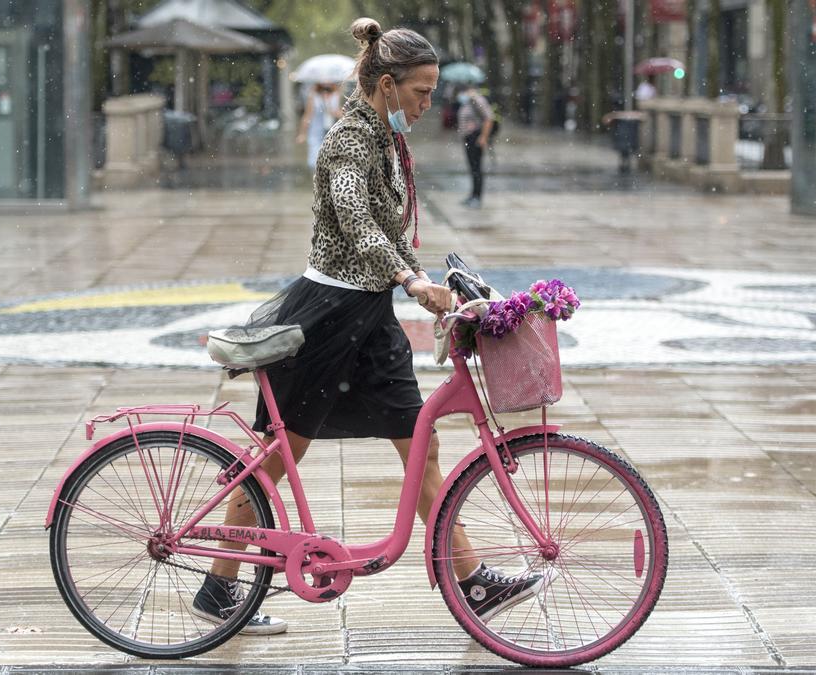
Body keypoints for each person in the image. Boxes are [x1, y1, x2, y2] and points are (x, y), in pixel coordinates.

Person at [191, 17, 548, 636]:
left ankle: (472, 580)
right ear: (386, 85)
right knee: (279, 455)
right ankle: (219, 587)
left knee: (421, 445)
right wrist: (412, 281)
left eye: (433, 92)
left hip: (370, 315)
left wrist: (429, 277)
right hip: (327, 317)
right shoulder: (349, 141)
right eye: (419, 92)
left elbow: (386, 230)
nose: (427, 103)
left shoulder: (386, 138)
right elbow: (357, 220)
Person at [455, 83, 494, 208]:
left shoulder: (477, 100)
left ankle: (477, 197)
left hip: (475, 138)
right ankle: (473, 195)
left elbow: (489, 118)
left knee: (477, 168)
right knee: (472, 168)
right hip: (468, 138)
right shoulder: (467, 102)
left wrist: (483, 137)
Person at [296, 81, 342, 170]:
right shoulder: (313, 96)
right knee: (314, 161)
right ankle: (317, 180)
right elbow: (307, 115)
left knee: (332, 161)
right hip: (316, 132)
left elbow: (342, 114)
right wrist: (302, 133)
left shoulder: (337, 94)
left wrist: (333, 111)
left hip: (333, 133)